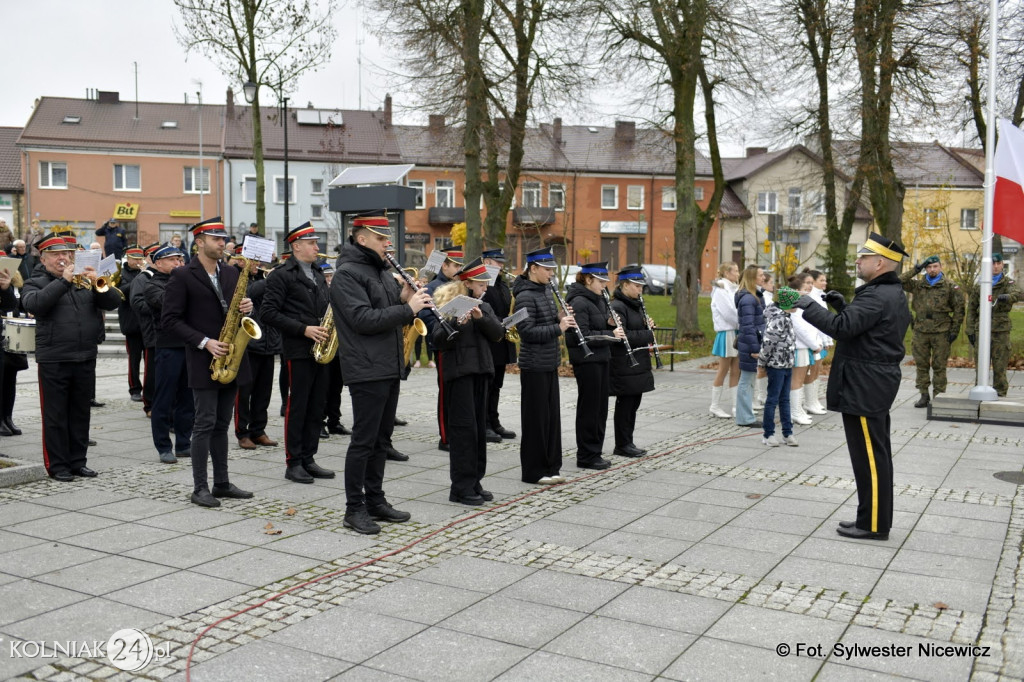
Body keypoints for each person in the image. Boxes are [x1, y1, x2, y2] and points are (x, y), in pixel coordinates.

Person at [795, 232, 912, 541]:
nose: (857, 260)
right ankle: (869, 518)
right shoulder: (885, 293)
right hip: (870, 382)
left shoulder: (877, 295)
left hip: (865, 385)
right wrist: (842, 305)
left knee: (870, 459)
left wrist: (807, 304)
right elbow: (861, 329)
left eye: (863, 257)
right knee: (872, 456)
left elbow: (841, 329)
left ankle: (873, 525)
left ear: (881, 262)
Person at [332, 216, 428, 534]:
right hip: (365, 367)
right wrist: (409, 308)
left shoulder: (382, 272)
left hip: (388, 365)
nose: (388, 243)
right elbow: (363, 319)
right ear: (362, 239)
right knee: (363, 440)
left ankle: (375, 500)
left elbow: (388, 312)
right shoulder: (347, 274)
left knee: (380, 441)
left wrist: (403, 298)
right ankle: (353, 508)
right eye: (381, 238)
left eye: (388, 238)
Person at [162, 217, 254, 508]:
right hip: (205, 358)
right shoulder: (182, 275)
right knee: (203, 424)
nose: (222, 244)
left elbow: (234, 309)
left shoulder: (230, 273)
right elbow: (170, 320)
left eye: (223, 238)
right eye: (216, 239)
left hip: (231, 357)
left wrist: (248, 307)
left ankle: (222, 483)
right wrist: (205, 342)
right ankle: (200, 487)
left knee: (222, 423)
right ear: (199, 242)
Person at [22, 233, 118, 481]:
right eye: (56, 254)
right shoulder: (36, 281)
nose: (63, 258)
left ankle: (78, 462)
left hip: (84, 356)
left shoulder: (83, 281)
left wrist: (99, 282)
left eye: (67, 254)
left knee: (80, 414)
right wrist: (64, 281)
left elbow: (113, 302)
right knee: (55, 416)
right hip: (54, 358)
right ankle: (57, 465)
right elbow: (36, 305)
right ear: (44, 260)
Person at [262, 222, 334, 483]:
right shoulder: (281, 275)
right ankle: (293, 462)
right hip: (298, 349)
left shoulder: (317, 271)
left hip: (321, 349)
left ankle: (309, 457)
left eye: (317, 243)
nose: (318, 247)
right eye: (312, 243)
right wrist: (303, 329)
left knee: (317, 406)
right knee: (298, 406)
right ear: (296, 246)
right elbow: (268, 312)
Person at [431, 257, 506, 505]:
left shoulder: (483, 307)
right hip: (460, 374)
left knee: (478, 434)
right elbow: (438, 340)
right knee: (464, 432)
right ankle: (460, 488)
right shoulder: (449, 303)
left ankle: (475, 481)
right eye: (482, 284)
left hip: (481, 372)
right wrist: (457, 321)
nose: (486, 288)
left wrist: (479, 318)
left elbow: (498, 334)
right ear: (468, 283)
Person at [512, 247, 576, 485]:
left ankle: (551, 466)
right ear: (534, 268)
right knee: (536, 420)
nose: (551, 274)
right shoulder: (525, 296)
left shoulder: (546, 290)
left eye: (552, 270)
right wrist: (558, 328)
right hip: (534, 365)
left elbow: (545, 321)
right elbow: (527, 332)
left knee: (551, 418)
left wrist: (560, 316)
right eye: (548, 269)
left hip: (548, 362)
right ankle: (534, 471)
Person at [566, 261, 625, 470]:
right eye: (600, 281)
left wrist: (608, 324)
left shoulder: (598, 299)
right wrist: (611, 334)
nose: (604, 285)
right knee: (589, 408)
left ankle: (595, 451)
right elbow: (581, 335)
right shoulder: (580, 301)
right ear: (588, 280)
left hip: (601, 357)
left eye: (605, 281)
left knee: (600, 407)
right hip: (587, 360)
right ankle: (586, 454)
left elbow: (595, 326)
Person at [144, 246, 193, 464]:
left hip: (190, 345)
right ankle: (163, 446)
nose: (178, 263)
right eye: (172, 260)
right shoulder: (152, 284)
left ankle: (184, 443)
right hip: (167, 348)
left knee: (187, 399)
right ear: (158, 263)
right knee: (163, 399)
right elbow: (170, 303)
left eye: (180, 259)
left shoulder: (186, 282)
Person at [900, 255, 965, 407]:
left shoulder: (950, 286)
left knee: (939, 365)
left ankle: (939, 396)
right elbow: (899, 280)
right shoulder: (919, 285)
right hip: (921, 330)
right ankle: (924, 395)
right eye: (928, 267)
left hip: (941, 331)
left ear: (941, 267)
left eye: (935, 266)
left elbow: (959, 310)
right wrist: (916, 269)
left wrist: (955, 330)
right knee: (921, 364)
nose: (932, 270)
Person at [234, 251, 280, 449]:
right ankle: (242, 432)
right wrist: (272, 278)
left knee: (264, 392)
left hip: (268, 342)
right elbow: (248, 293)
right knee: (244, 392)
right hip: (249, 346)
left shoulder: (265, 278)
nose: (257, 264)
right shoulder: (235, 277)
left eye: (258, 261)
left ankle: (258, 430)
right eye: (252, 261)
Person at [421, 247, 464, 451]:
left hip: (462, 346)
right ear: (444, 265)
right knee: (446, 393)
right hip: (443, 346)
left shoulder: (461, 286)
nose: (458, 270)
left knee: (459, 394)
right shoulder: (432, 288)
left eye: (459, 266)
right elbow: (426, 317)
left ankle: (459, 432)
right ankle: (445, 437)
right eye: (455, 265)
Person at [609, 265, 654, 458]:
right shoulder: (618, 306)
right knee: (626, 405)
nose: (640, 290)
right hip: (624, 363)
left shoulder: (635, 304)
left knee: (633, 404)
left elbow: (638, 330)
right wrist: (647, 334)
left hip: (637, 361)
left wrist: (648, 327)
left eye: (641, 287)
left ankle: (628, 441)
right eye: (636, 286)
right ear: (625, 285)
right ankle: (622, 444)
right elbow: (623, 336)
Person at [966, 253, 1021, 397]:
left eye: (998, 263)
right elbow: (971, 309)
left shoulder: (1008, 283)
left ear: (1002, 265)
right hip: (982, 330)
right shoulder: (981, 285)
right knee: (981, 365)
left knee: (1000, 365)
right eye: (992, 263)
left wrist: (1008, 297)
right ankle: (979, 392)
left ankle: (1000, 394)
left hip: (1000, 331)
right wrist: (970, 330)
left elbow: (1017, 293)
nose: (995, 267)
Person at [480, 248, 517, 441]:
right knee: (487, 385)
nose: (501, 266)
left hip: (501, 341)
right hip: (488, 342)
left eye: (502, 263)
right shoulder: (483, 285)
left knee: (497, 386)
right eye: (497, 262)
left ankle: (494, 422)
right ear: (486, 262)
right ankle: (484, 424)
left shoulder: (502, 285)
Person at [759, 286, 800, 447]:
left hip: (786, 364)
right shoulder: (779, 318)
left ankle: (787, 433)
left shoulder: (786, 316)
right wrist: (762, 362)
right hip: (776, 366)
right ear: (786, 304)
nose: (798, 305)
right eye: (795, 302)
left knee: (784, 399)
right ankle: (768, 434)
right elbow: (768, 342)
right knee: (772, 399)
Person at [318, 262, 351, 437]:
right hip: (324, 343)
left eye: (331, 276)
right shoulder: (320, 292)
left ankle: (334, 421)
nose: (329, 279)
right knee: (323, 387)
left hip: (339, 345)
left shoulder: (338, 291)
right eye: (326, 277)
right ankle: (319, 421)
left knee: (336, 387)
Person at [788, 272, 823, 425]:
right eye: (805, 286)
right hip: (799, 347)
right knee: (797, 380)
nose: (809, 287)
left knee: (800, 379)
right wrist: (814, 345)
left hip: (805, 347)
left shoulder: (801, 304)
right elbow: (800, 329)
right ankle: (794, 411)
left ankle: (798, 409)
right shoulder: (794, 307)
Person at [734, 265, 765, 427]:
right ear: (752, 278)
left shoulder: (754, 296)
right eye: (760, 275)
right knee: (746, 381)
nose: (763, 278)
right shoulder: (748, 299)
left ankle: (746, 415)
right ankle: (745, 418)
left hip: (752, 342)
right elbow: (747, 326)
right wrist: (754, 348)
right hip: (750, 344)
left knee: (749, 380)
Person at [117, 246, 148, 403]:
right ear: (127, 259)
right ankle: (135, 388)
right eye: (135, 258)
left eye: (140, 258)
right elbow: (119, 292)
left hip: (147, 321)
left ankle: (149, 388)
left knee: (149, 359)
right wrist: (140, 279)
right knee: (134, 358)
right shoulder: (120, 273)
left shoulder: (147, 272)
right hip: (131, 321)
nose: (138, 261)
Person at [709, 262, 739, 418]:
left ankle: (735, 406)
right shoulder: (721, 288)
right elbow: (729, 312)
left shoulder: (733, 287)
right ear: (727, 273)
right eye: (735, 271)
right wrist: (742, 321)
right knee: (724, 369)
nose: (738, 274)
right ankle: (714, 406)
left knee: (736, 370)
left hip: (735, 330)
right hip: (727, 331)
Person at [803, 269, 831, 414]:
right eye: (821, 280)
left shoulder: (821, 296)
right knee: (811, 371)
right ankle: (809, 402)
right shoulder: (812, 297)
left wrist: (827, 339)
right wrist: (821, 340)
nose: (824, 283)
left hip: (821, 339)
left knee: (817, 371)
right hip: (815, 340)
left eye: (825, 280)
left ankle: (813, 400)